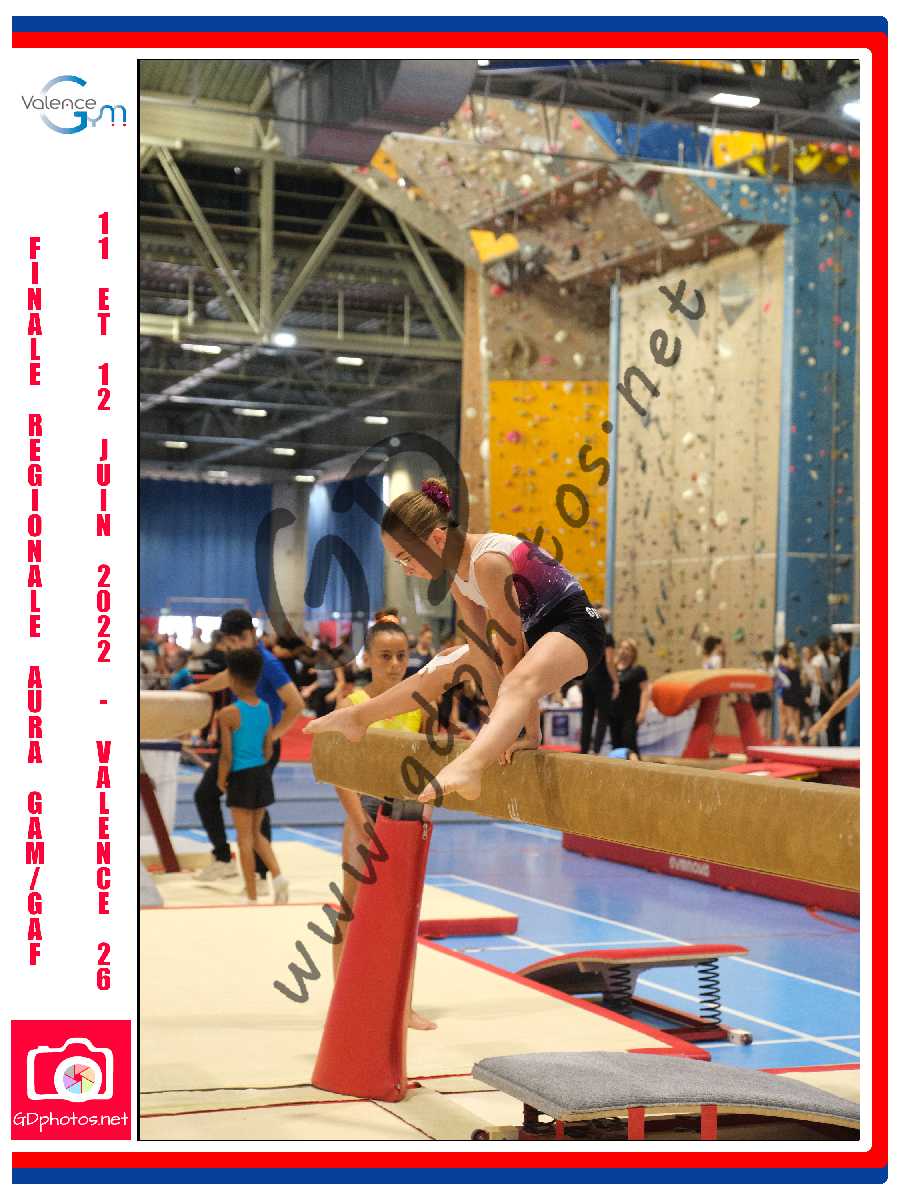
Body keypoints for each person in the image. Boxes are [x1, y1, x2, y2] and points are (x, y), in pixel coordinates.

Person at [306, 477, 609, 803]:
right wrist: (502, 729)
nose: (406, 569)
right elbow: (482, 656)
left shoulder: (488, 562)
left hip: (576, 627)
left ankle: (470, 766)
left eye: (406, 557)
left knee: (515, 680)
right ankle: (359, 717)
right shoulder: (455, 575)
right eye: (399, 561)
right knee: (443, 664)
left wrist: (528, 733)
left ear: (437, 538)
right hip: (534, 637)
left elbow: (513, 656)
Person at [329, 620, 437, 1030]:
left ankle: (401, 1005)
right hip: (365, 808)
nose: (394, 665)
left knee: (403, 914)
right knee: (352, 907)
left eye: (401, 656)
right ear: (368, 659)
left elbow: (428, 764)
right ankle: (343, 999)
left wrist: (426, 812)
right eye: (385, 656)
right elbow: (339, 772)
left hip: (405, 810)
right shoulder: (352, 704)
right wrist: (361, 822)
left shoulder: (419, 704)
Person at [187, 609, 303, 889]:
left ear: (252, 633)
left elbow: (296, 703)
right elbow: (227, 677)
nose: (236, 645)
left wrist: (273, 736)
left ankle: (261, 875)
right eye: (231, 641)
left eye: (240, 639)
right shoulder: (242, 659)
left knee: (253, 807)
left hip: (260, 748)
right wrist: (198, 689)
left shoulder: (268, 663)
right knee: (206, 795)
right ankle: (224, 859)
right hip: (240, 744)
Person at [215, 648, 289, 905]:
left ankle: (251, 895)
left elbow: (226, 755)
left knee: (244, 839)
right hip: (261, 774)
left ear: (232, 679)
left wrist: (221, 779)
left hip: (241, 776)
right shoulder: (265, 708)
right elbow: (268, 749)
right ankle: (278, 876)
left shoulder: (228, 714)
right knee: (257, 834)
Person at [579, 607, 618, 754]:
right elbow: (609, 661)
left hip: (587, 678)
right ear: (607, 621)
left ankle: (583, 750)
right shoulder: (607, 637)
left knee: (587, 716)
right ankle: (596, 750)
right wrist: (616, 681)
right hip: (602, 680)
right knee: (602, 716)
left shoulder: (587, 635)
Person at [609, 638, 649, 756]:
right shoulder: (612, 669)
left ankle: (637, 766)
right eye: (621, 647)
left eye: (627, 648)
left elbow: (645, 691)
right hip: (613, 713)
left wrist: (642, 712)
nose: (623, 651)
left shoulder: (638, 670)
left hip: (630, 714)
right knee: (616, 745)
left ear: (633, 653)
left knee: (629, 742)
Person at [811, 635, 842, 746]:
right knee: (832, 718)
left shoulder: (817, 660)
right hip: (832, 689)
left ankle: (824, 745)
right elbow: (839, 679)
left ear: (818, 647)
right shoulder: (836, 659)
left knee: (822, 719)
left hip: (821, 692)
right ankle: (834, 743)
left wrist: (828, 695)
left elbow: (820, 680)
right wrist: (835, 693)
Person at [776, 643, 804, 743]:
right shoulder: (794, 662)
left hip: (789, 693)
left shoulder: (786, 662)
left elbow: (788, 666)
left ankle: (798, 741)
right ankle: (783, 739)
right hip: (794, 692)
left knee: (790, 719)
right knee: (791, 719)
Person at [750, 649, 776, 739]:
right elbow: (771, 686)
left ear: (764, 659)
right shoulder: (771, 671)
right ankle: (760, 740)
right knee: (761, 722)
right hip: (763, 696)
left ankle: (756, 739)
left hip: (760, 695)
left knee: (757, 721)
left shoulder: (759, 670)